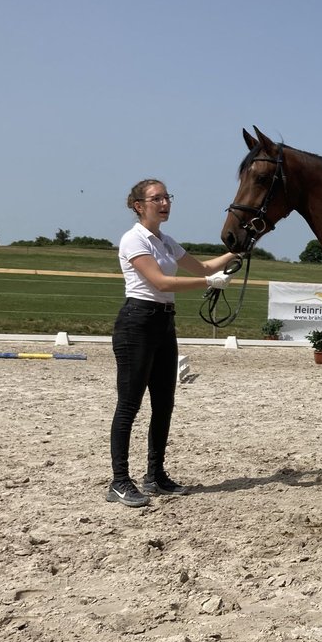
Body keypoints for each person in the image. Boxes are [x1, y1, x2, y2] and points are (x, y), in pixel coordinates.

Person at [107, 178, 238, 508]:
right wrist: (208, 282)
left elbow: (204, 265)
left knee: (164, 403)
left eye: (167, 197)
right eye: (157, 198)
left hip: (164, 323)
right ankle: (120, 481)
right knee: (129, 404)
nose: (165, 203)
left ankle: (155, 476)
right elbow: (160, 280)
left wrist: (237, 251)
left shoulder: (166, 241)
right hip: (137, 322)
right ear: (139, 205)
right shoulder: (133, 239)